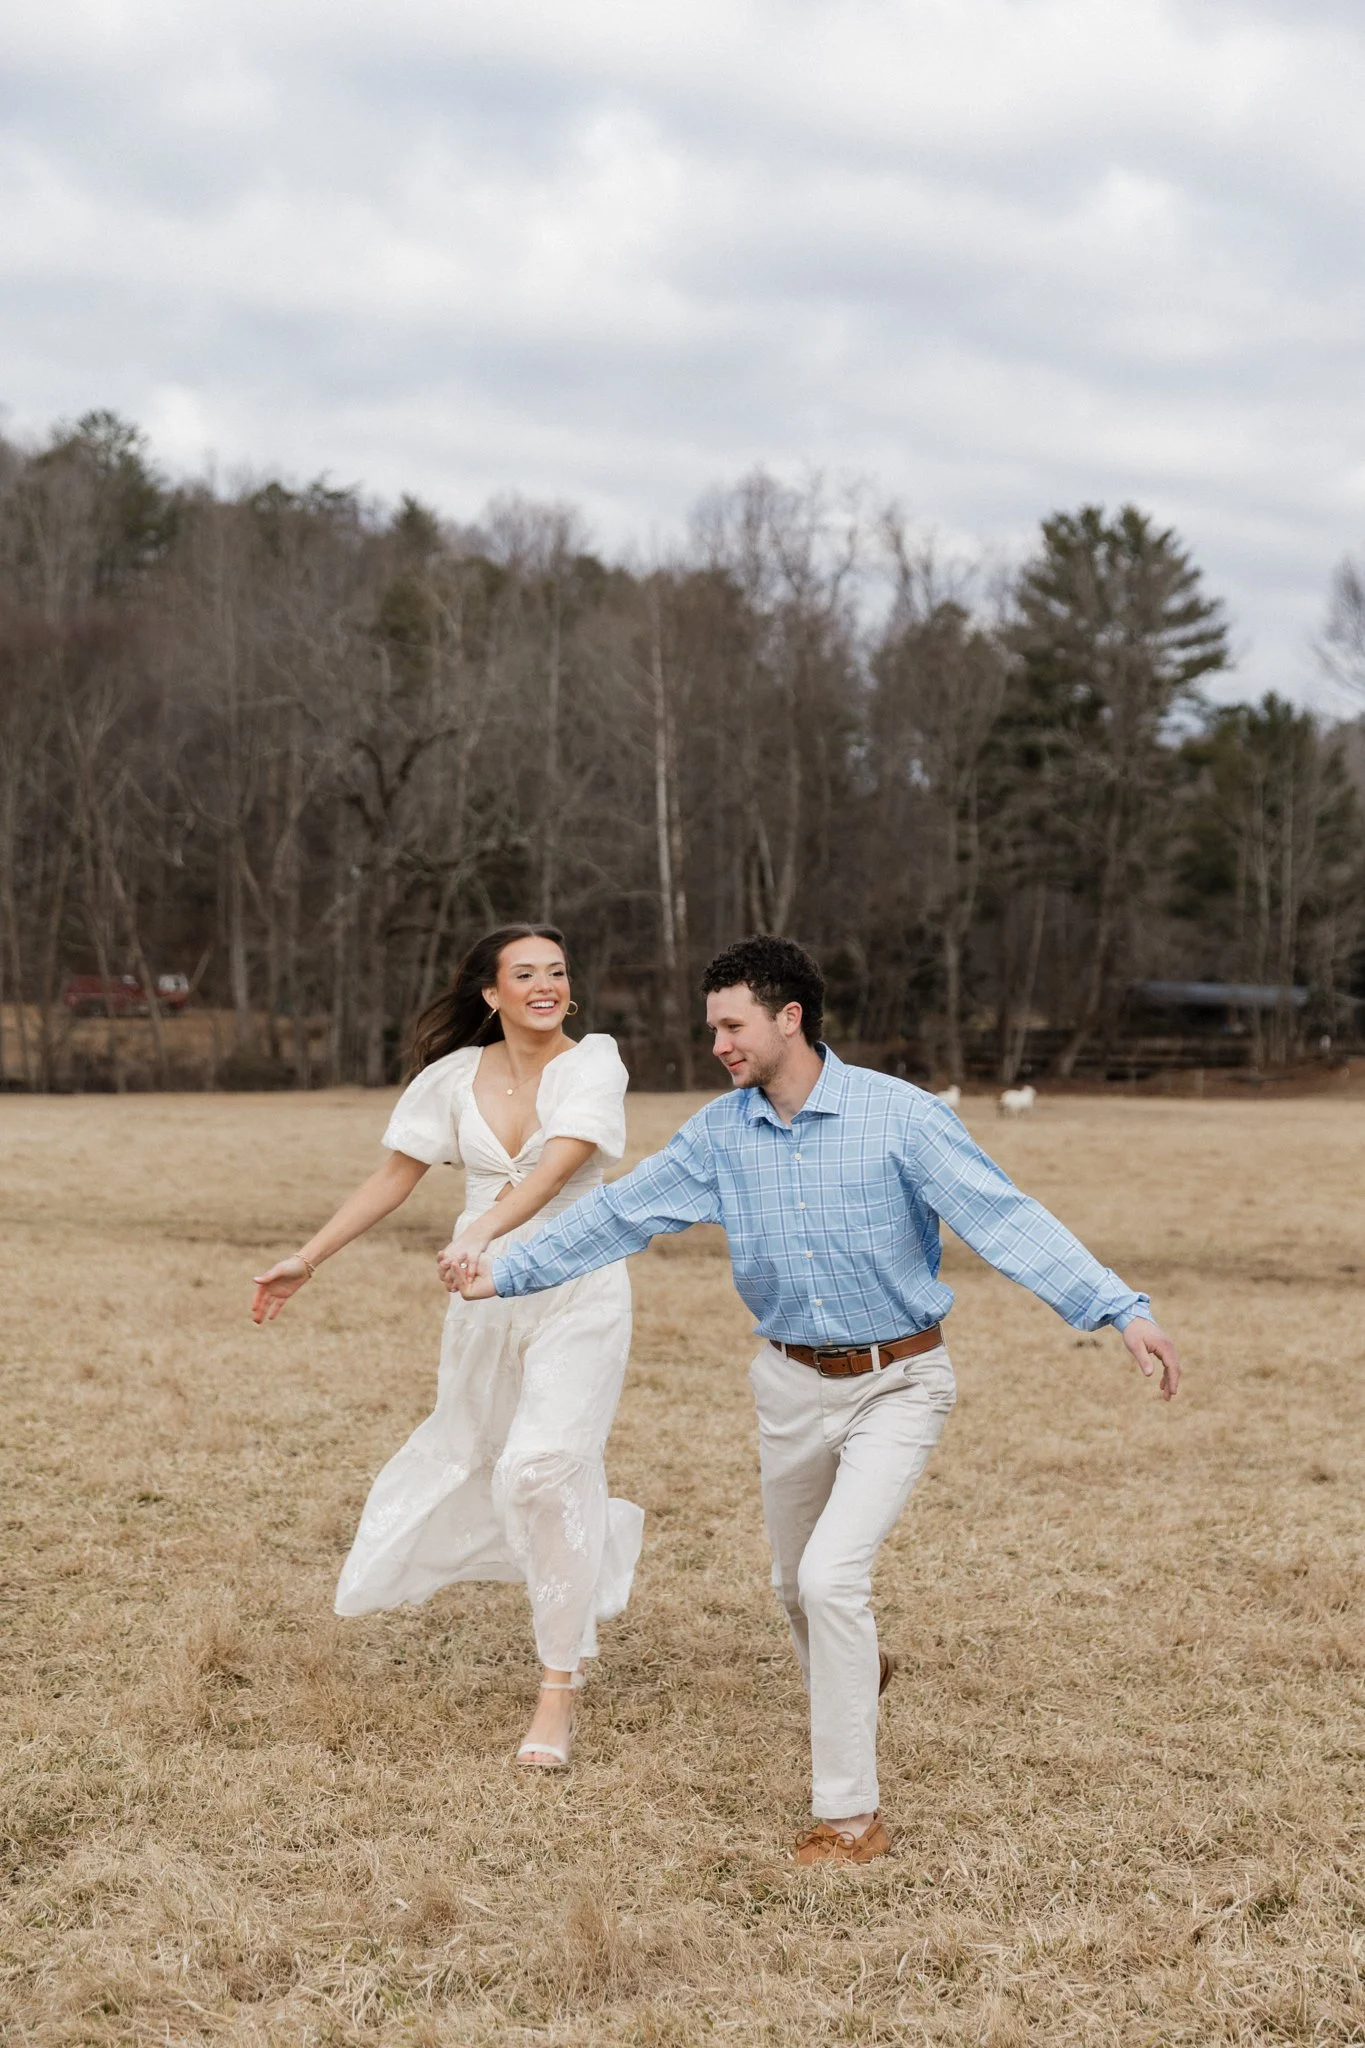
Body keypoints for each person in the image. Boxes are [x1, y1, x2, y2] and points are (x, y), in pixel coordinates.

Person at [449, 934, 1181, 1860]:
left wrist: (1121, 1310)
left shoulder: (899, 1117)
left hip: (899, 1380)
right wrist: (503, 1272)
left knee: (832, 1579)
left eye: (731, 1024)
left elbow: (1004, 1217)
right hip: (789, 1384)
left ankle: (849, 1818)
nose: (716, 1043)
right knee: (794, 1587)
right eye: (711, 1025)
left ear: (788, 1018)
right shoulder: (720, 1134)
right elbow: (616, 1215)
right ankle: (855, 1667)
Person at [251, 924, 641, 1770]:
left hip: (577, 1282)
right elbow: (394, 1177)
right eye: (525, 974)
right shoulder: (449, 1080)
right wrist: (307, 1260)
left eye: (558, 972)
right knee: (489, 1461)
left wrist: (487, 1234)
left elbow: (556, 1166)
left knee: (544, 1468)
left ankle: (556, 1693)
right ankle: (566, 1578)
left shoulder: (594, 1062)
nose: (546, 985)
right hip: (481, 1294)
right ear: (490, 994)